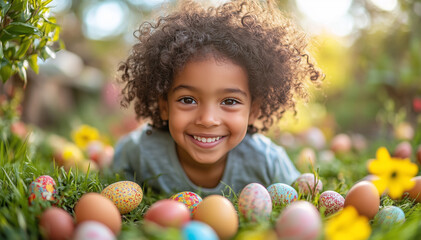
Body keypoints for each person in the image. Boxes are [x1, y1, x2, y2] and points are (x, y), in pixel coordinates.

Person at [112, 0, 323, 196]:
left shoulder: (267, 161)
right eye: (188, 100)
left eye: (229, 101)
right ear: (164, 106)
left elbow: (297, 195)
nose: (207, 119)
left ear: (254, 111)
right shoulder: (139, 152)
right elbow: (114, 180)